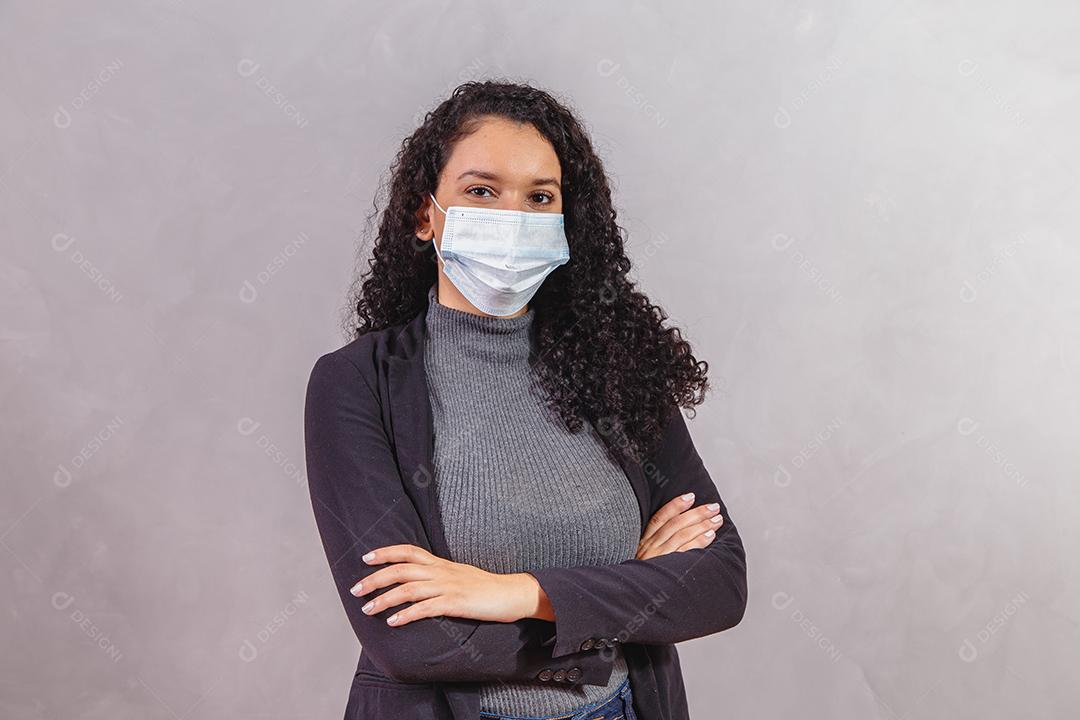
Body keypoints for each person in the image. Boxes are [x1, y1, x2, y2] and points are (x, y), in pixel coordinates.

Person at [303, 80, 747, 720]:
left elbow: (720, 582)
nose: (514, 218)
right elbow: (413, 641)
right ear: (425, 215)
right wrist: (620, 603)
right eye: (482, 191)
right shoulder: (356, 385)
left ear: (568, 221)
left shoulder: (617, 365)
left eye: (540, 197)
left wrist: (511, 593)